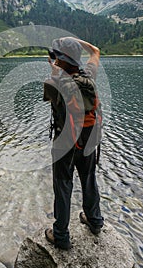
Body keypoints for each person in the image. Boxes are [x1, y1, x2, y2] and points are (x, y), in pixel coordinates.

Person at [43, 36, 104, 250]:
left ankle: (60, 235)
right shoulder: (89, 75)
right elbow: (95, 50)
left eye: (56, 57)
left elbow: (55, 99)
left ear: (60, 60)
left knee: (63, 187)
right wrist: (74, 42)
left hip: (65, 145)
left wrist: (55, 70)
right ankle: (95, 221)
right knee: (89, 180)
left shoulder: (53, 83)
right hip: (89, 142)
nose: (54, 60)